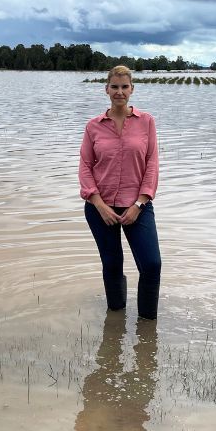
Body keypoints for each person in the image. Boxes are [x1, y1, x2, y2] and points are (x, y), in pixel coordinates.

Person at [78, 65, 161, 319]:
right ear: (106, 90)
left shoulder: (146, 122)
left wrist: (139, 203)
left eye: (124, 87)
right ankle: (115, 320)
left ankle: (148, 325)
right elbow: (85, 166)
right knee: (112, 265)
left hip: (138, 206)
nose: (119, 92)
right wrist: (99, 204)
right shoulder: (94, 127)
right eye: (114, 87)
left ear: (132, 89)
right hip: (99, 208)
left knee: (151, 264)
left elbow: (152, 165)